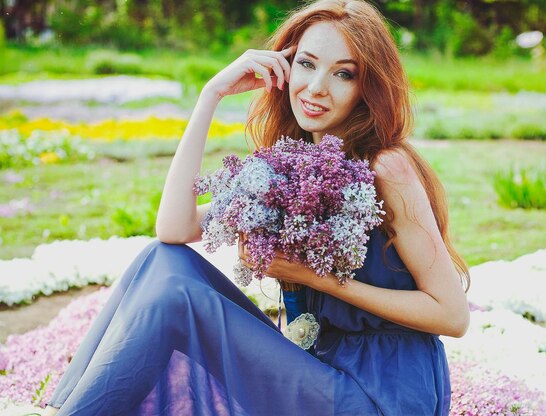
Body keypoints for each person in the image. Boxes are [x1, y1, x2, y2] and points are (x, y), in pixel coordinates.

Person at [42, 0, 470, 414]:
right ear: (284, 67)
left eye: (344, 73)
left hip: (380, 395)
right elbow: (173, 229)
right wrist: (211, 95)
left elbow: (451, 315)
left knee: (176, 298)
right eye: (307, 63)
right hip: (320, 370)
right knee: (161, 261)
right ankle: (64, 409)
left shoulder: (386, 167)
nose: (317, 86)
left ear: (367, 87)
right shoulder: (290, 165)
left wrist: (315, 278)